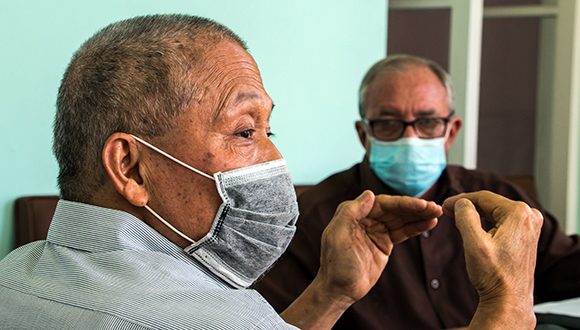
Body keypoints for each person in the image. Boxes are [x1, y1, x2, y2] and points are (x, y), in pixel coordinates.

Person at [0, 16, 542, 329]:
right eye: (244, 132)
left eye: (269, 131)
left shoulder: (15, 277)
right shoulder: (213, 318)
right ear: (131, 165)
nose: (274, 160)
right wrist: (507, 304)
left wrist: (330, 291)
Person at [254, 55, 580, 329]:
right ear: (364, 134)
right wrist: (333, 292)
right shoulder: (314, 216)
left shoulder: (498, 200)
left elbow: (561, 269)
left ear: (451, 131)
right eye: (388, 123)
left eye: (427, 122)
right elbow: (277, 321)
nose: (410, 138)